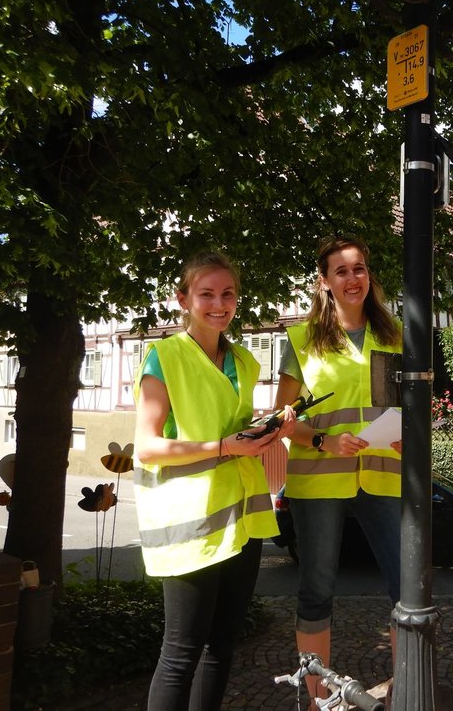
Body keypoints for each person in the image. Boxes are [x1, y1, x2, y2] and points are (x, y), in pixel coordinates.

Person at [133, 251, 297, 711]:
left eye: (228, 294)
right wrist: (226, 446)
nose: (218, 304)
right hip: (189, 522)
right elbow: (146, 447)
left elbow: (235, 430)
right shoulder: (162, 356)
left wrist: (269, 431)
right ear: (183, 298)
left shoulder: (244, 361)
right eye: (206, 294)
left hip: (241, 519)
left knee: (222, 646)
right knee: (180, 654)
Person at [273, 234, 402, 708]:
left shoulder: (395, 335)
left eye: (360, 268)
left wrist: (407, 432)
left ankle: (403, 690)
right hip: (319, 478)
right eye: (342, 271)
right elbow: (283, 419)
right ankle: (313, 700)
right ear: (324, 282)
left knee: (406, 587)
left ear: (370, 276)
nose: (353, 278)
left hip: (385, 474)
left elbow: (398, 406)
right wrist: (325, 440)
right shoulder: (301, 339)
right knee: (316, 591)